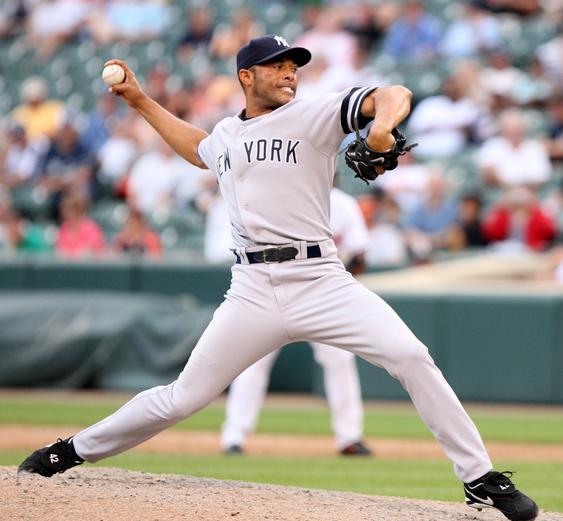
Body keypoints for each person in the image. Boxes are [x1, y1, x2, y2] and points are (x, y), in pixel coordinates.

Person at [17, 35, 538, 521]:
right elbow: (199, 147)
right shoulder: (226, 133)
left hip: (321, 279)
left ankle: (478, 477)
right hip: (251, 291)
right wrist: (138, 101)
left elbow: (394, 93)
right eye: (278, 66)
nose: (290, 74)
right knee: (183, 398)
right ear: (247, 76)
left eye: (295, 67)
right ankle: (69, 450)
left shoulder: (312, 115)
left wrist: (379, 128)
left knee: (411, 356)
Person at [221, 185, 372, 456]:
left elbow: (360, 255)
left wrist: (339, 278)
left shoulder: (344, 204)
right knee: (252, 361)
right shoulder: (281, 195)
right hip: (273, 289)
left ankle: (349, 436)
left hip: (323, 294)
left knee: (339, 359)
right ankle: (234, 435)